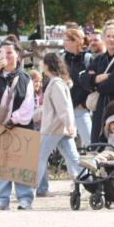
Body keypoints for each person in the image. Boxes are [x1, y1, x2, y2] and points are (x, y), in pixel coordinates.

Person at [0, 41, 36, 210]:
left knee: (21, 162)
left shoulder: (25, 78)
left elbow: (28, 105)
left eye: (9, 52)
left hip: (19, 125)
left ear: (17, 55)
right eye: (2, 53)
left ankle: (25, 198)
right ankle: (2, 198)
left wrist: (13, 119)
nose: (6, 56)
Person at [34, 53, 82, 197]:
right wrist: (69, 124)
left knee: (40, 158)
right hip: (62, 128)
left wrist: (69, 124)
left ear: (47, 65)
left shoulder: (55, 84)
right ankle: (88, 184)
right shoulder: (58, 82)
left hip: (53, 128)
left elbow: (62, 107)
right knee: (73, 158)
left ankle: (29, 190)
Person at [79, 21, 114, 143]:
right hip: (100, 112)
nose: (111, 39)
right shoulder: (99, 59)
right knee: (98, 146)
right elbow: (83, 79)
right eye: (108, 36)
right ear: (104, 39)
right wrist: (95, 79)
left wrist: (95, 86)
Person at [62, 28, 93, 148]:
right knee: (65, 144)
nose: (64, 43)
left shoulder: (88, 59)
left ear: (76, 41)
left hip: (81, 108)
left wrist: (84, 104)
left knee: (90, 143)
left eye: (66, 40)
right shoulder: (62, 58)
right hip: (64, 108)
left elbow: (93, 83)